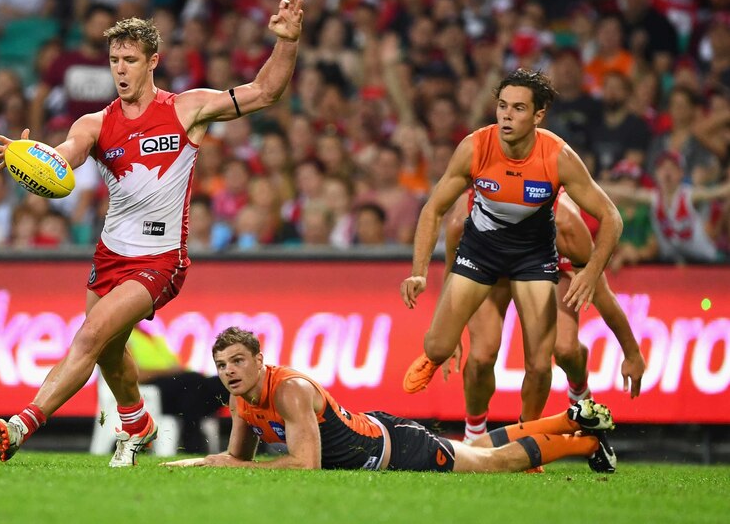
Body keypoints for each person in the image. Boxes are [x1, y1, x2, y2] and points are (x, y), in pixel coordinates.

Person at [0, 0, 304, 466]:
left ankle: (22, 423)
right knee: (111, 352)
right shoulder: (95, 123)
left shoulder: (186, 110)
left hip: (159, 259)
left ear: (153, 61)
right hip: (111, 255)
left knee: (91, 336)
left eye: (130, 60)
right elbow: (68, 154)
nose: (120, 69)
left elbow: (264, 92)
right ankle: (138, 425)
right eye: (114, 60)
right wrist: (38, 159)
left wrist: (288, 43)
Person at [400, 69, 623, 425]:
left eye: (518, 108)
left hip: (532, 259)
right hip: (480, 254)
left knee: (538, 362)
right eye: (502, 106)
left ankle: (526, 438)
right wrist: (418, 272)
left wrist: (592, 271)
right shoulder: (475, 146)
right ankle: (447, 377)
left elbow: (612, 217)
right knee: (438, 348)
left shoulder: (558, 156)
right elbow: (433, 210)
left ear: (538, 116)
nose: (506, 115)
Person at [163, 328, 618, 473]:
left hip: (393, 450)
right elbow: (236, 459)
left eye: (238, 361)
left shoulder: (289, 390)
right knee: (478, 448)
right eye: (223, 365)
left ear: (260, 360)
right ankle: (569, 419)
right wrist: (199, 465)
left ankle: (583, 443)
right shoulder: (241, 399)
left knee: (491, 463)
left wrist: (235, 467)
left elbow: (306, 465)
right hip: (376, 432)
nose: (230, 372)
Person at [442, 189, 645, 442]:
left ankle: (553, 414)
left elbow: (602, 295)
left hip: (547, 264)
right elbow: (454, 274)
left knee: (564, 351)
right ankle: (473, 435)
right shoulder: (465, 219)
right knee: (482, 356)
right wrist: (448, 333)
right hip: (493, 262)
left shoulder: (566, 227)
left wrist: (632, 353)